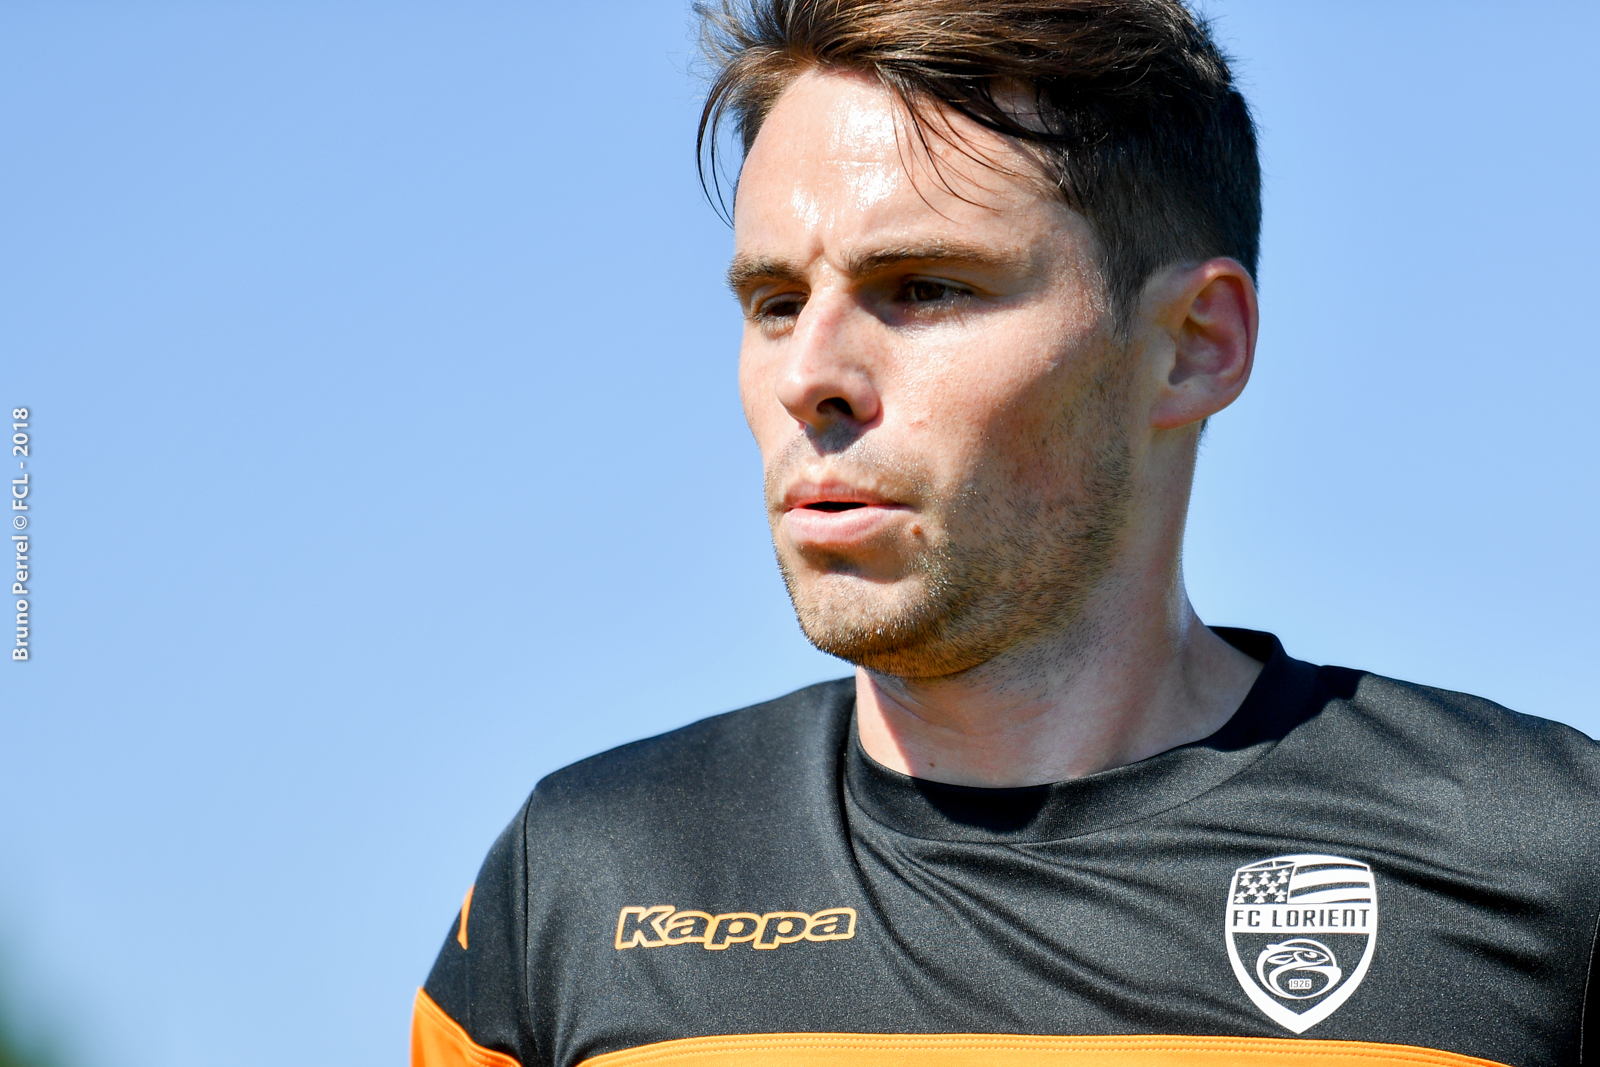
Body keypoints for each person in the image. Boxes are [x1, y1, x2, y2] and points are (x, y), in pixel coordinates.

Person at [412, 2, 1600, 1065]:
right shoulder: (580, 881)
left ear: (1195, 344)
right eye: (775, 302)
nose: (810, 375)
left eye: (924, 287)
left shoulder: (1542, 860)